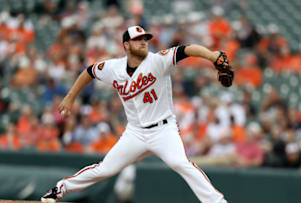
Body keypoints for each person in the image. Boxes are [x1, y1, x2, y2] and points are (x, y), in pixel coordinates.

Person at [41, 25, 232, 203]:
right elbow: (89, 71)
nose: (143, 42)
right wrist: (70, 96)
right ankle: (59, 189)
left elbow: (187, 49)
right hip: (135, 133)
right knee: (105, 169)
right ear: (126, 45)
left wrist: (212, 56)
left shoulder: (158, 61)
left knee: (181, 163)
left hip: (163, 130)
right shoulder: (114, 68)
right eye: (138, 39)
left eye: (145, 39)